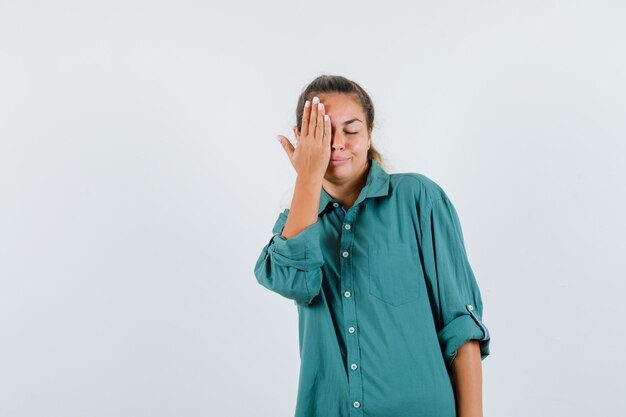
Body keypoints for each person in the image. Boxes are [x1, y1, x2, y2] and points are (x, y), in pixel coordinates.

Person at [253, 75, 491, 417]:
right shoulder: (298, 223)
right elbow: (293, 283)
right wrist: (307, 176)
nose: (336, 144)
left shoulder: (418, 199)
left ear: (370, 133)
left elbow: (460, 326)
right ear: (302, 139)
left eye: (350, 130)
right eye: (322, 133)